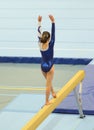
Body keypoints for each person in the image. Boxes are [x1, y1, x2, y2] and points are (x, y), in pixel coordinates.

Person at [37, 14, 56, 105]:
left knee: (48, 81)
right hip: (50, 66)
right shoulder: (51, 44)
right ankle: (46, 101)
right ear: (48, 39)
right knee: (48, 84)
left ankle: (53, 92)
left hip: (42, 66)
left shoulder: (39, 43)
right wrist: (53, 22)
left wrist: (39, 22)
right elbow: (53, 34)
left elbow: (38, 32)